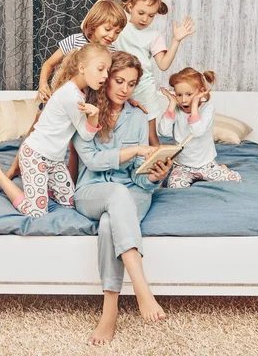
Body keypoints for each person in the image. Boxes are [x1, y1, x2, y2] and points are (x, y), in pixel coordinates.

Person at [71, 51, 173, 345]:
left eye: (131, 84)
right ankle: (142, 289)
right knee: (115, 193)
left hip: (134, 192)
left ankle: (110, 310)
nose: (124, 89)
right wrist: (133, 152)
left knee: (107, 224)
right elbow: (91, 160)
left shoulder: (139, 117)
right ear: (105, 78)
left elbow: (138, 176)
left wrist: (154, 176)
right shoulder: (85, 112)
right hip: (92, 190)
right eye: (119, 81)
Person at [0, 44, 111, 217]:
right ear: (82, 68)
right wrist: (94, 116)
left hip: (55, 161)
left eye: (108, 70)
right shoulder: (71, 96)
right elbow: (86, 135)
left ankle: (42, 186)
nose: (105, 75)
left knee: (70, 203)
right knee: (36, 212)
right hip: (35, 155)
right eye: (101, 69)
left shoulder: (81, 91)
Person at [114, 0, 196, 146]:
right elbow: (95, 28)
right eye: (141, 13)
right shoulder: (119, 27)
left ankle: (157, 166)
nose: (145, 19)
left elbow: (163, 65)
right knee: (119, 130)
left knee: (151, 135)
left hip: (144, 89)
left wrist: (176, 40)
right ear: (130, 6)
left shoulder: (154, 35)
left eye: (151, 16)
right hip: (118, 87)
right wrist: (101, 2)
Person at [158, 67, 242, 188]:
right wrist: (171, 104)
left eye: (189, 94)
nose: (183, 100)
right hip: (182, 166)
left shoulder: (207, 109)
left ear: (200, 92)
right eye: (178, 95)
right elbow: (163, 132)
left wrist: (195, 106)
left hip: (206, 165)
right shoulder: (176, 109)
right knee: (175, 187)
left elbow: (197, 132)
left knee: (235, 179)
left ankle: (223, 168)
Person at [37, 0, 127, 103]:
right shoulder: (74, 41)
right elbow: (48, 64)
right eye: (107, 29)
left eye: (117, 32)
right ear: (94, 25)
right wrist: (43, 84)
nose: (112, 36)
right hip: (59, 96)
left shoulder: (111, 51)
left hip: (85, 102)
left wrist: (128, 102)